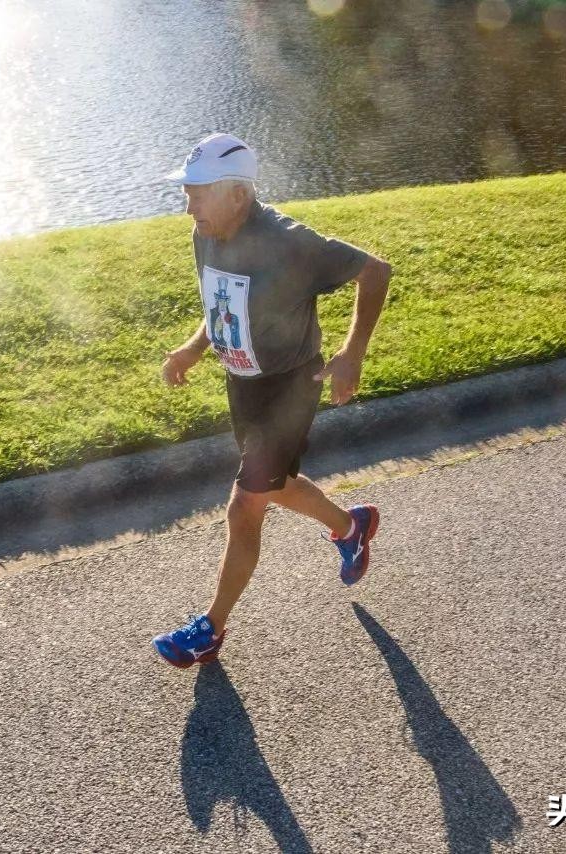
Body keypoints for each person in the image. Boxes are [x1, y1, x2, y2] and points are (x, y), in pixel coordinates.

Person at [152, 132, 393, 669]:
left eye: (198, 191)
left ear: (238, 193)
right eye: (186, 191)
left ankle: (210, 630)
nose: (188, 204)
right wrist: (194, 350)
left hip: (289, 386)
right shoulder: (207, 232)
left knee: (246, 504)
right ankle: (351, 527)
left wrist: (352, 353)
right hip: (244, 383)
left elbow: (375, 271)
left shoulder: (288, 242)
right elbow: (221, 303)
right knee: (274, 483)